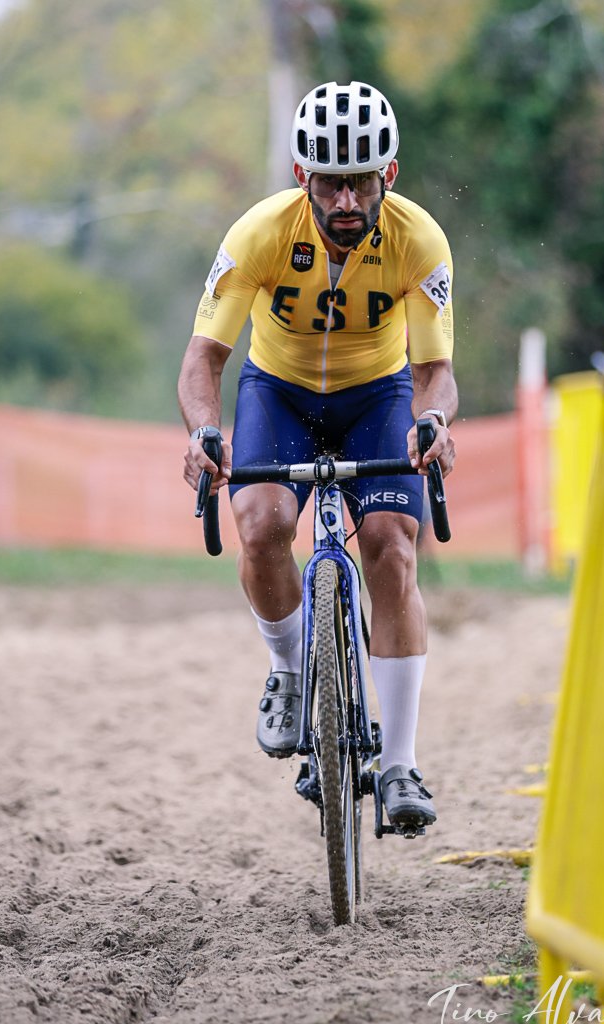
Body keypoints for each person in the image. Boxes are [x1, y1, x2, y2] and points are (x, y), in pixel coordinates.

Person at [178, 81, 457, 830]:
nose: (345, 200)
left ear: (388, 174)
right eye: (329, 181)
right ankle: (290, 667)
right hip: (281, 393)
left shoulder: (420, 240)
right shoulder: (259, 233)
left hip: (377, 397)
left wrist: (433, 421)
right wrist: (204, 432)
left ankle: (399, 764)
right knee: (262, 525)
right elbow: (204, 358)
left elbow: (435, 371)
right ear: (302, 175)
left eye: (360, 180)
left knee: (392, 548)